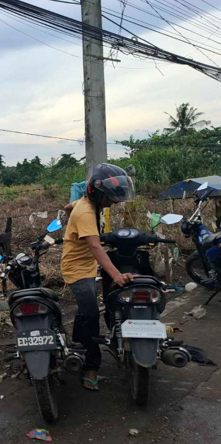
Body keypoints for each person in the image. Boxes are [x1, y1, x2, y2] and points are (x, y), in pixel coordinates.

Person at [61, 163, 135, 391]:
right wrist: (116, 275)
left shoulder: (85, 204)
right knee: (91, 314)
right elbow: (95, 247)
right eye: (111, 197)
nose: (114, 201)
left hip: (89, 265)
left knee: (88, 309)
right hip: (77, 269)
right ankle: (90, 366)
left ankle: (79, 342)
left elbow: (68, 206)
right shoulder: (85, 211)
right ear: (97, 193)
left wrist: (69, 215)